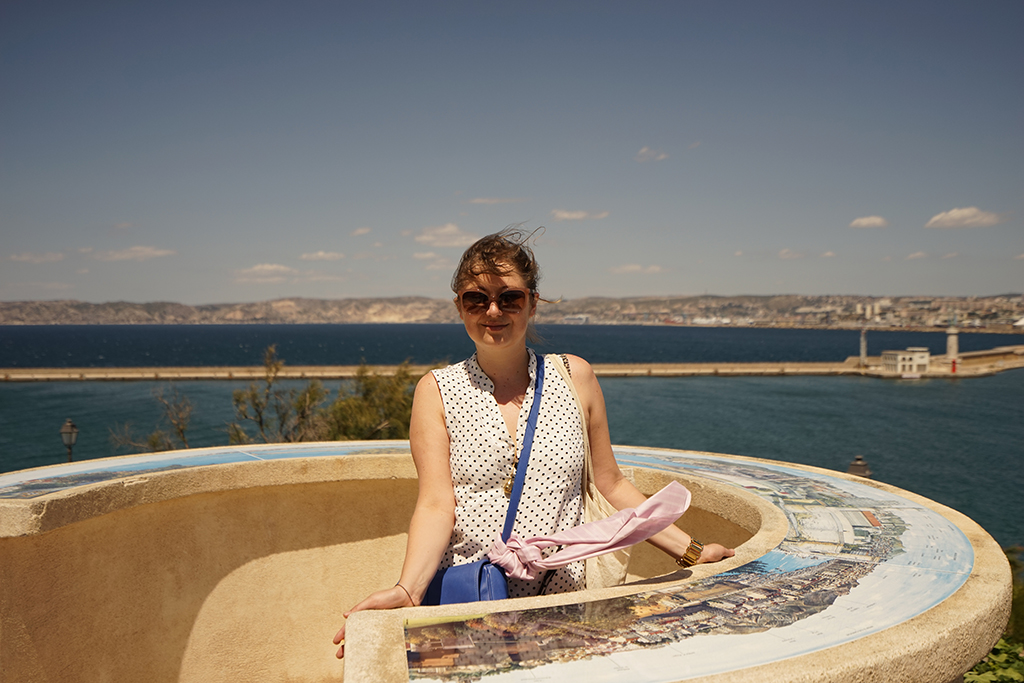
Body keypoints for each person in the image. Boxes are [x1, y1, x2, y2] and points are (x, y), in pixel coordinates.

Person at [334, 229, 733, 657]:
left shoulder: (574, 377)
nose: (493, 311)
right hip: (474, 604)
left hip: (565, 602)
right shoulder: (436, 391)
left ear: (532, 302)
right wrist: (408, 590)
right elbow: (436, 504)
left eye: (509, 298)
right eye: (476, 299)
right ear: (459, 307)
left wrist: (691, 552)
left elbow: (611, 484)